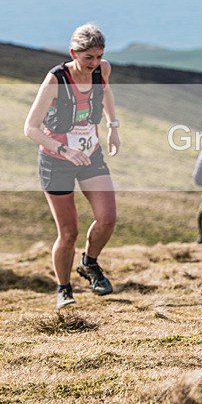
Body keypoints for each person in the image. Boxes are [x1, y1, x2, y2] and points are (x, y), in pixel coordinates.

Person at [24, 23, 120, 309]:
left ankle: (89, 263)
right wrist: (63, 150)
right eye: (88, 57)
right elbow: (30, 128)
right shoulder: (56, 79)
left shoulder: (102, 70)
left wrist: (114, 127)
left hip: (91, 156)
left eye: (99, 56)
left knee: (107, 218)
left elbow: (107, 93)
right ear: (73, 53)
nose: (95, 63)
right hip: (57, 162)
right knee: (69, 233)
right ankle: (63, 289)